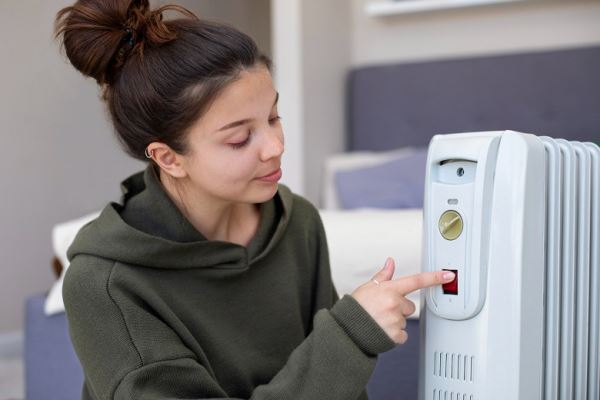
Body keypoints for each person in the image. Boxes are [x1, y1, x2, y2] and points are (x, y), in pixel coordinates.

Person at [54, 1, 455, 399]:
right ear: (168, 158)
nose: (275, 146)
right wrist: (350, 335)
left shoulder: (297, 221)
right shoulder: (106, 284)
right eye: (239, 138)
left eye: (274, 118)